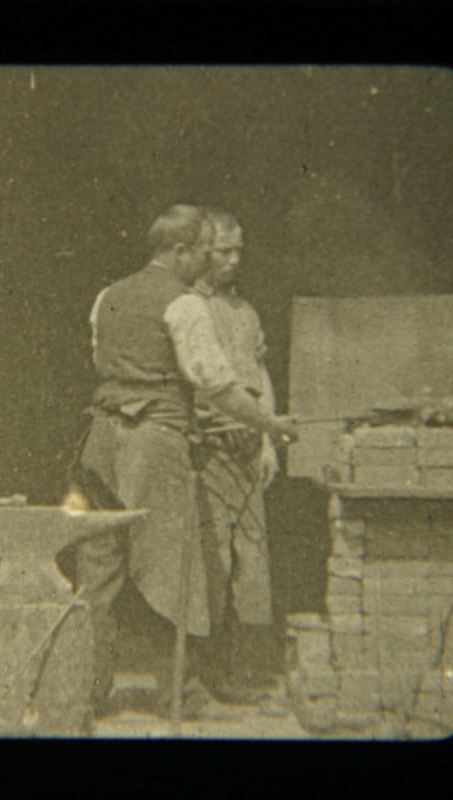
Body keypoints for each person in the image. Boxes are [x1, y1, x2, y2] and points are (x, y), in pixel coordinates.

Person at [71, 204, 296, 717]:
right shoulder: (185, 304)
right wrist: (270, 424)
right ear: (178, 251)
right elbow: (216, 384)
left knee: (98, 573)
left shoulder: (108, 296)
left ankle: (84, 692)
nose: (207, 262)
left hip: (99, 444)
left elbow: (104, 361)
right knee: (174, 571)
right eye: (202, 251)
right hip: (154, 444)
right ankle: (181, 694)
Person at [189, 210, 284, 698]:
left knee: (253, 560)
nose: (233, 259)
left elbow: (259, 374)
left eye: (238, 251)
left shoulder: (245, 312)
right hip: (210, 449)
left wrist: (268, 441)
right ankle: (211, 673)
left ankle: (247, 673)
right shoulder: (189, 310)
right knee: (215, 562)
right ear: (201, 251)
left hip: (249, 449)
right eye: (223, 250)